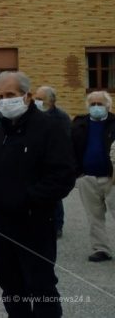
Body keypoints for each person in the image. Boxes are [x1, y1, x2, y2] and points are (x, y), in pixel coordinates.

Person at [0, 71, 76, 317]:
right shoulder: (3, 129)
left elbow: (63, 177)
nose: (4, 101)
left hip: (35, 222)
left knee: (40, 285)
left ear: (27, 96)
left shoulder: (49, 128)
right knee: (9, 283)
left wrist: (27, 199)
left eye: (10, 95)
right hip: (1, 222)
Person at [71, 91, 115, 262]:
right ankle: (101, 249)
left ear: (108, 106)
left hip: (112, 179)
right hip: (87, 178)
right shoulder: (79, 124)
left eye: (100, 104)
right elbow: (71, 148)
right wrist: (77, 172)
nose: (96, 107)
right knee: (94, 217)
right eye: (93, 104)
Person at [35, 86, 72, 239]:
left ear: (51, 101)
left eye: (41, 99)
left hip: (53, 162)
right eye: (36, 98)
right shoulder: (34, 115)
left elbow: (65, 141)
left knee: (55, 197)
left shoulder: (61, 118)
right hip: (36, 161)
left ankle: (57, 225)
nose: (37, 102)